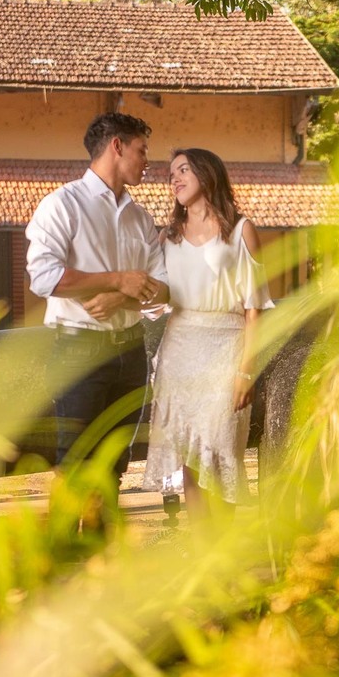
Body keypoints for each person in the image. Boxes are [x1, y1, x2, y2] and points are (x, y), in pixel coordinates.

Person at [25, 112, 170, 486]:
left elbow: (164, 289)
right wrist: (120, 280)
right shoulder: (62, 205)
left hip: (133, 352)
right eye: (142, 150)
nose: (147, 160)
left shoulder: (140, 218)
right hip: (79, 353)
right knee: (74, 465)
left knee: (114, 466)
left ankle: (104, 528)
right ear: (117, 146)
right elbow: (44, 277)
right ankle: (65, 529)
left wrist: (119, 297)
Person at [142, 148, 274, 515]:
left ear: (206, 173)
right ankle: (200, 546)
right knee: (190, 458)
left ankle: (223, 546)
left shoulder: (241, 230)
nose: (175, 178)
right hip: (179, 350)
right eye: (171, 174)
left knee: (221, 451)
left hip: (226, 349)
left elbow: (254, 309)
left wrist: (246, 371)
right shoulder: (168, 237)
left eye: (183, 170)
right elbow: (154, 295)